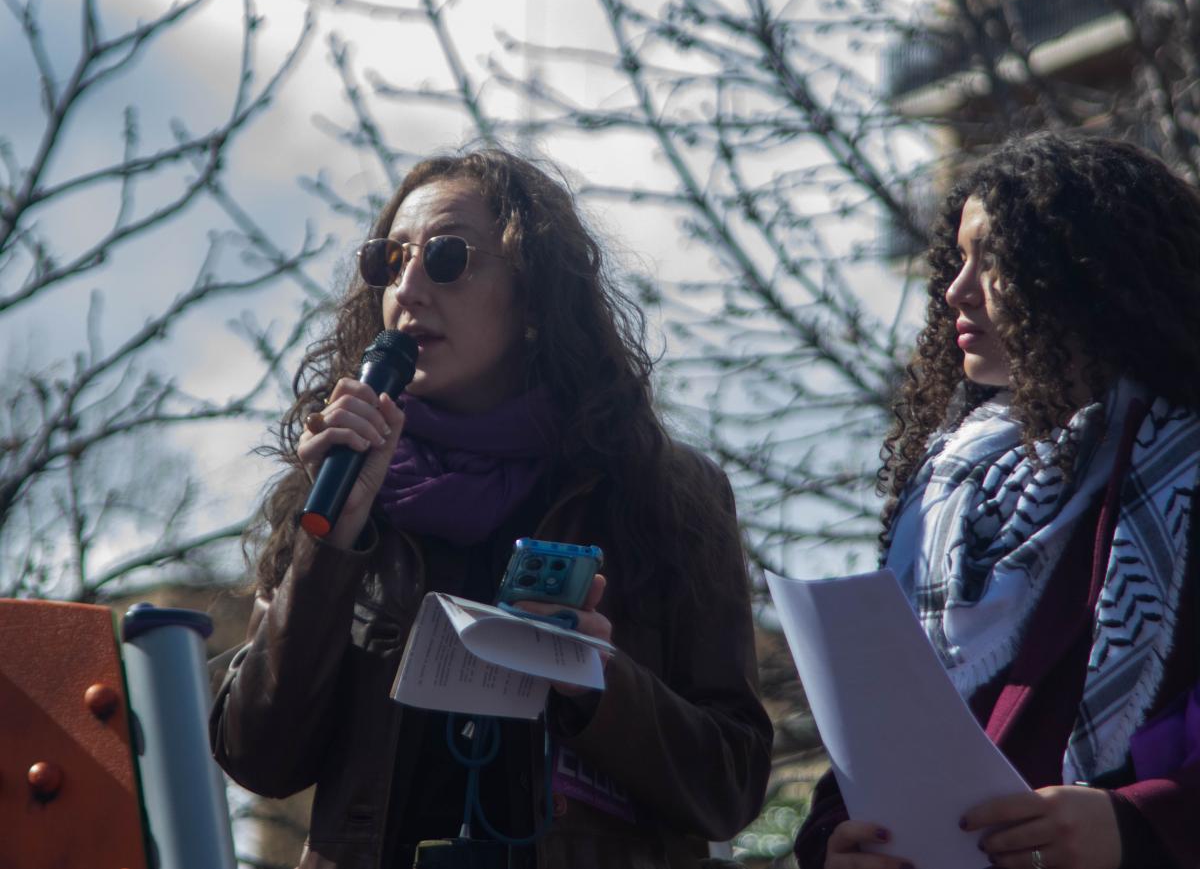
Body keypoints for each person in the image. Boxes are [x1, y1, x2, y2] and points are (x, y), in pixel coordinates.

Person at [209, 147, 773, 869]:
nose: (408, 288)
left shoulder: (664, 494)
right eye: (391, 259)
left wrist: (594, 679)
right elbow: (260, 757)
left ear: (534, 296)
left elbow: (733, 781)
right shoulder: (338, 487)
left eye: (447, 258)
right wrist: (330, 545)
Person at [793, 133, 1200, 869]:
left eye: (995, 258)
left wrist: (1135, 825)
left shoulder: (1185, 474)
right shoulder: (940, 490)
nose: (957, 288)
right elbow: (881, 736)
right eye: (958, 259)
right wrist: (837, 841)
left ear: (1086, 272)